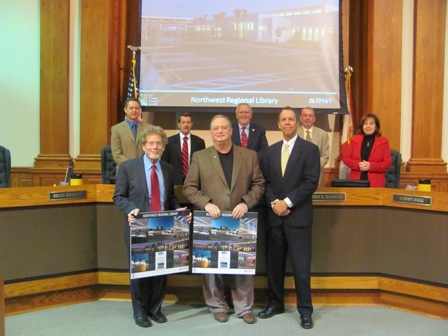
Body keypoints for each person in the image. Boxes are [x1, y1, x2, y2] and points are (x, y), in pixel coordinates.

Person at [183, 115, 265, 325]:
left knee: (243, 265)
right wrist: (206, 203)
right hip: (211, 219)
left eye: (223, 128)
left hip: (241, 219)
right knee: (211, 267)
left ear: (231, 131)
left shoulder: (249, 155)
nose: (219, 132)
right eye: (215, 129)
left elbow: (259, 185)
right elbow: (189, 188)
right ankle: (217, 306)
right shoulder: (200, 157)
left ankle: (244, 308)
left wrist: (246, 202)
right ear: (211, 133)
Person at [257, 107, 320, 330]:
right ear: (278, 124)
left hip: (298, 217)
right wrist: (276, 203)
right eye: (283, 120)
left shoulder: (310, 150)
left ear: (297, 123)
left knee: (301, 268)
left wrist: (288, 203)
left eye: (291, 119)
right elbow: (265, 182)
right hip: (275, 217)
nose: (287, 123)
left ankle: (305, 311)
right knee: (274, 266)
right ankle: (275, 304)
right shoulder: (269, 152)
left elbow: (310, 182)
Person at [113, 126, 180, 328]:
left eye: (159, 143)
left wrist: (179, 209)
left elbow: (170, 197)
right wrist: (131, 209)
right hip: (138, 228)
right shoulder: (127, 167)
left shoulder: (168, 169)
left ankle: (155, 309)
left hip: (162, 228)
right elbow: (119, 197)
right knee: (140, 272)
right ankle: (140, 312)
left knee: (160, 270)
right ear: (143, 146)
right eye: (151, 143)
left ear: (163, 146)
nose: (155, 146)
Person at [342, 113, 392, 188]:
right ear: (362, 126)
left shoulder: (383, 142)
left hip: (376, 182)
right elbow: (346, 159)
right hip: (356, 181)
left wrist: (370, 166)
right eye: (365, 124)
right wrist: (358, 165)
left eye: (371, 124)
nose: (368, 126)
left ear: (376, 126)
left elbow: (387, 163)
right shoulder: (354, 140)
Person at [161, 112, 206, 185]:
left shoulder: (199, 142)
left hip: (194, 182)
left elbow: (202, 165)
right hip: (174, 182)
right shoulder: (169, 141)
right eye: (183, 122)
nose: (186, 125)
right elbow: (164, 163)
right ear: (178, 124)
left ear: (191, 124)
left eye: (188, 122)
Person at [111, 98, 151, 167]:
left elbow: (151, 150)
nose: (134, 110)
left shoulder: (148, 128)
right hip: (125, 168)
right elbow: (116, 154)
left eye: (136, 108)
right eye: (131, 108)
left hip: (144, 168)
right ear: (125, 110)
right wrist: (132, 165)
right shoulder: (116, 129)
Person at [298, 107, 330, 187]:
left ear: (314, 118)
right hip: (297, 175)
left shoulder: (323, 134)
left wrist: (313, 167)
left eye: (310, 116)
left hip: (316, 175)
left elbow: (325, 156)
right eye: (305, 115)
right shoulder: (294, 133)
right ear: (301, 118)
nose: (307, 118)